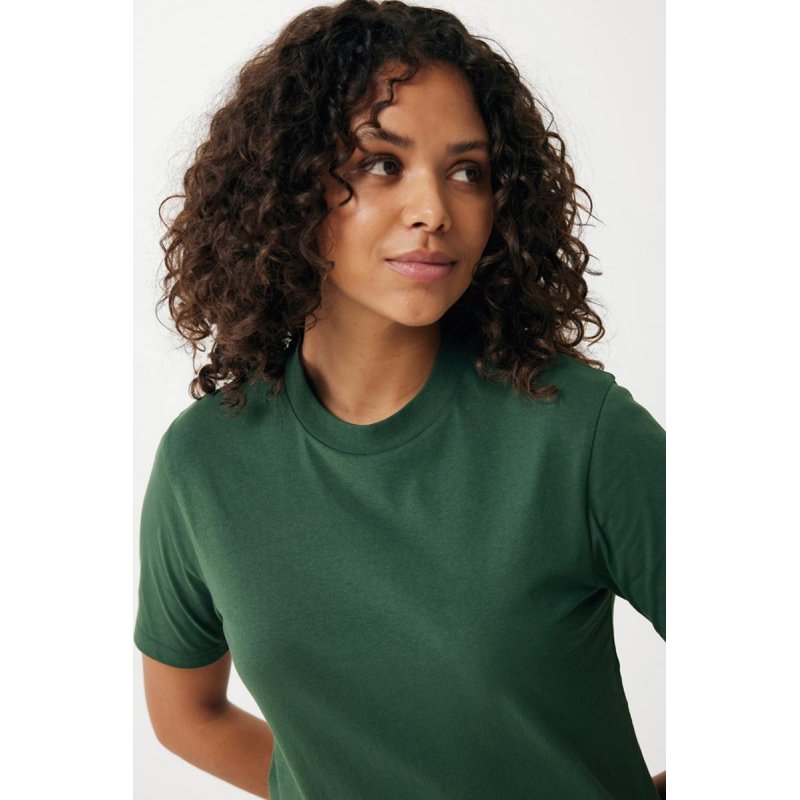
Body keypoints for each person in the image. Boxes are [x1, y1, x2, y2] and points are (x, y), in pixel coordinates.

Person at [134, 1, 666, 798]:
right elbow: (187, 714)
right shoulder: (204, 462)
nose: (434, 211)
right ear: (290, 185)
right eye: (382, 163)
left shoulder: (577, 431)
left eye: (468, 172)